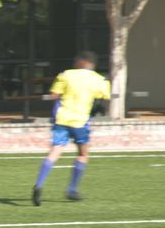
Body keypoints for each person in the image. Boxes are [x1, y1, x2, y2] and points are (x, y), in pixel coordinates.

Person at [31, 51, 111, 206]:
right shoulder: (98, 79)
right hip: (80, 121)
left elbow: (54, 94)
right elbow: (104, 97)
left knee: (55, 151)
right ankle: (72, 189)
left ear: (80, 62)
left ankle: (39, 184)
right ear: (91, 64)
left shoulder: (66, 75)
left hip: (62, 119)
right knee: (82, 153)